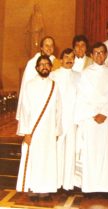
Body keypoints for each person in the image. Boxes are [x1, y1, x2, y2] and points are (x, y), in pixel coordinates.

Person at [73, 42, 108, 194]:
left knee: (105, 153)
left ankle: (106, 187)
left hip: (106, 120)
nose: (99, 55)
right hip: (90, 120)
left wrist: (105, 113)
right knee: (91, 153)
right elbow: (82, 97)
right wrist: (94, 113)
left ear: (106, 54)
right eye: (96, 53)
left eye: (102, 52)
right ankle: (90, 187)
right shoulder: (85, 74)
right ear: (92, 55)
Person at [16, 55, 62, 201]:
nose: (44, 67)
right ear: (36, 68)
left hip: (48, 132)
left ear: (50, 67)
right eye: (41, 64)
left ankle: (45, 191)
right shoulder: (30, 85)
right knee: (34, 160)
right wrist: (26, 132)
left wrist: (56, 130)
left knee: (47, 160)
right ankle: (33, 190)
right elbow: (25, 109)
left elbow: (58, 110)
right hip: (33, 131)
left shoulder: (54, 85)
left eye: (47, 64)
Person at [50, 48, 79, 191]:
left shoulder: (79, 76)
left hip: (73, 118)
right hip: (58, 119)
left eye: (72, 57)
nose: (69, 59)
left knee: (71, 150)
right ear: (61, 59)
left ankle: (68, 184)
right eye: (66, 56)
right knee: (57, 150)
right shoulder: (53, 75)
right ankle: (56, 183)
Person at [17, 36, 60, 122]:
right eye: (46, 45)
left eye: (51, 45)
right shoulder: (32, 63)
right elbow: (26, 86)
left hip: (50, 105)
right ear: (41, 48)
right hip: (35, 104)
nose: (49, 48)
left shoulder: (56, 62)